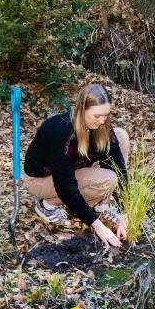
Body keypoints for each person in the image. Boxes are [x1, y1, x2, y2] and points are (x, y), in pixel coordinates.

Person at [24, 83, 131, 249]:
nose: (102, 121)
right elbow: (65, 186)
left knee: (120, 137)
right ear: (82, 109)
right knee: (109, 180)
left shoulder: (100, 126)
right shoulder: (61, 131)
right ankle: (47, 206)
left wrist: (125, 213)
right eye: (97, 116)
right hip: (40, 179)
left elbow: (119, 167)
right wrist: (97, 225)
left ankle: (102, 202)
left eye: (105, 115)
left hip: (70, 170)